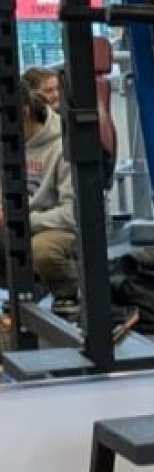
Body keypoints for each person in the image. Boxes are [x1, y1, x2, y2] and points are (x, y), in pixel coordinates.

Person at [1, 79, 79, 317]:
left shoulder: (63, 145)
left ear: (24, 112)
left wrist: (22, 220)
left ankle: (69, 290)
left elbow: (72, 214)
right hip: (20, 222)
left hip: (59, 228)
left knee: (41, 250)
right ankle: (27, 286)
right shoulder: (7, 141)